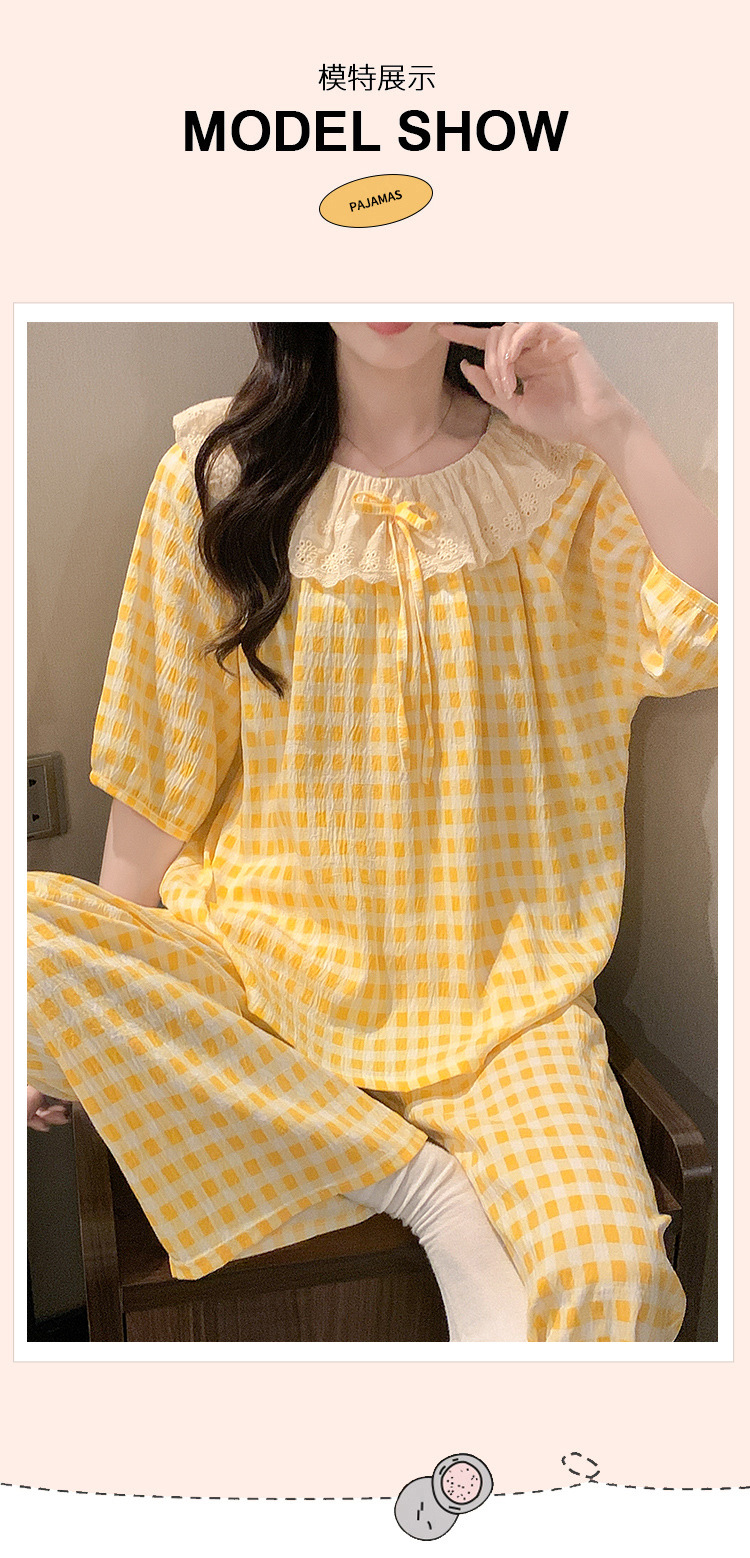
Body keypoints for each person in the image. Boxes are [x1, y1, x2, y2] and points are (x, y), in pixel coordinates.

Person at [27, 321, 718, 1341]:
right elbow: (160, 760)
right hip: (264, 992)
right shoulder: (217, 479)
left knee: (610, 1277)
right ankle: (422, 1186)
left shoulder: (553, 480)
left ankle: (404, 1191)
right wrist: (77, 1008)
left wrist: (612, 423)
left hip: (502, 1014)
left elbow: (707, 629)